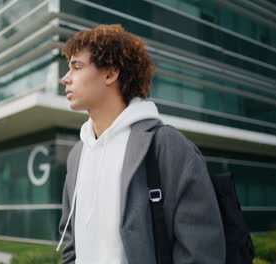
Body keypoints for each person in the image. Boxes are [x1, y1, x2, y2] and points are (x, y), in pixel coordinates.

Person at [56, 24, 225, 264]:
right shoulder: (78, 154)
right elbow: (71, 244)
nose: (66, 78)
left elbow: (200, 252)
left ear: (110, 74)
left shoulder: (166, 145)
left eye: (77, 67)